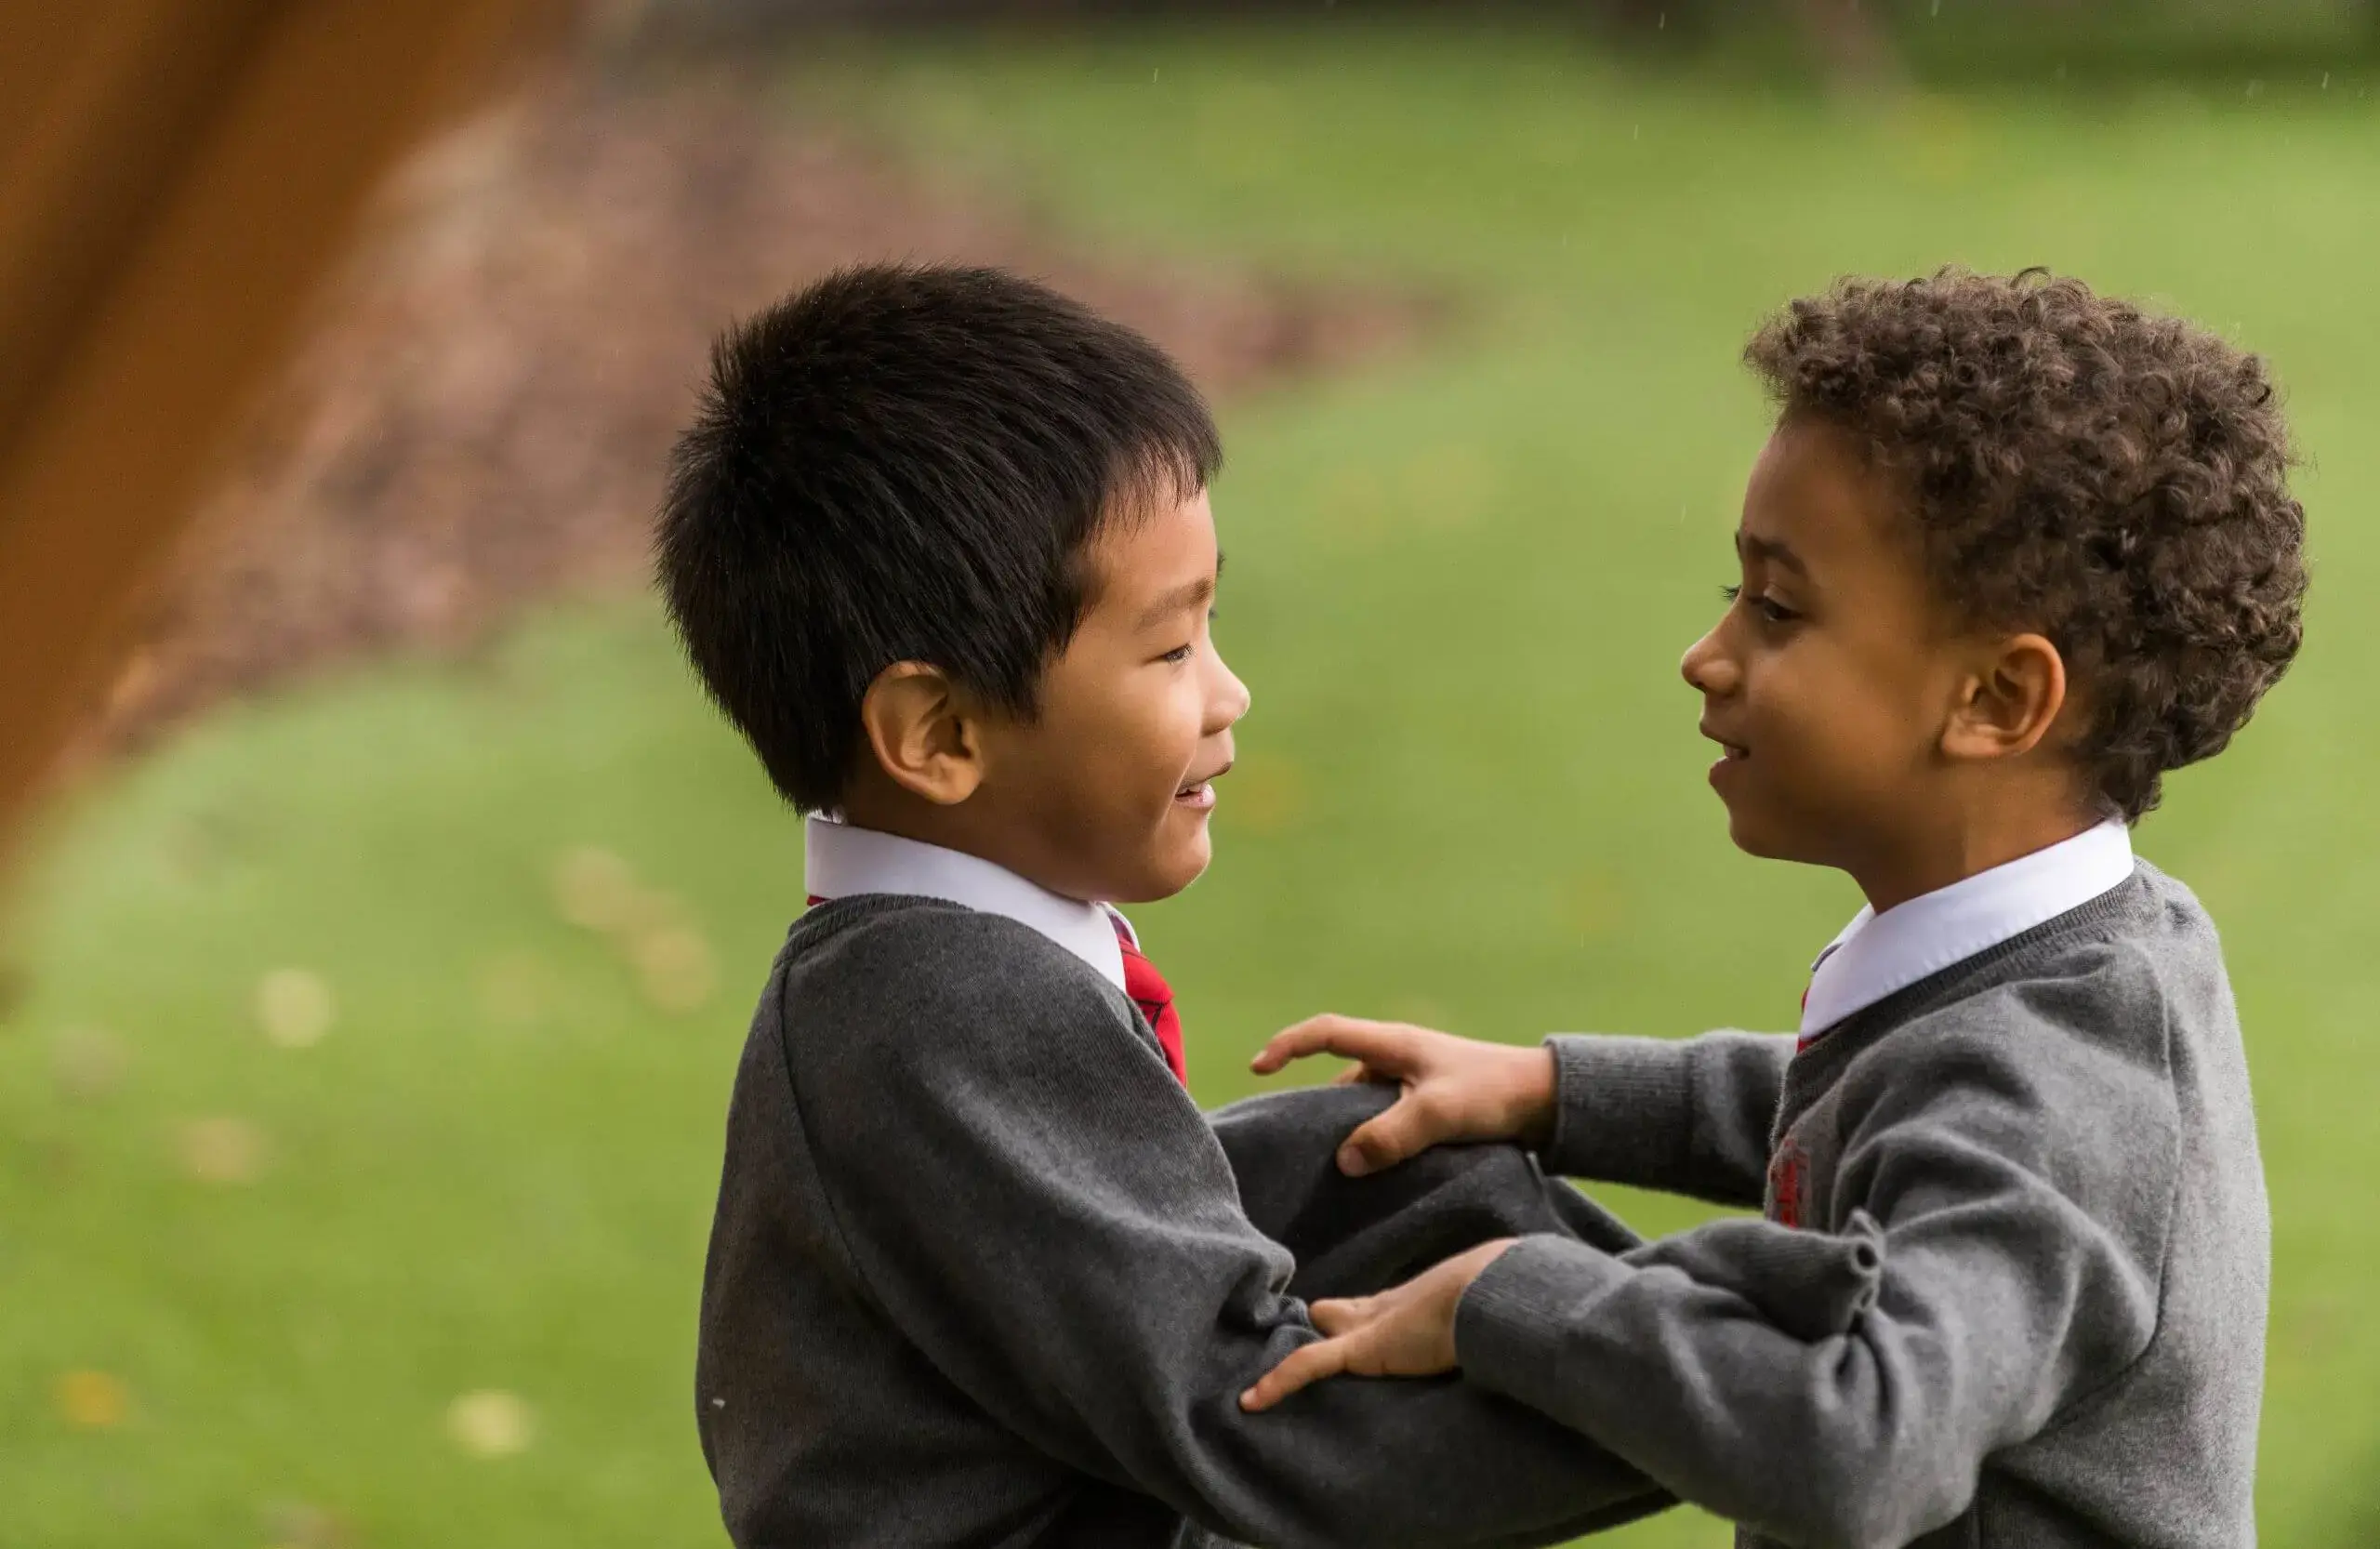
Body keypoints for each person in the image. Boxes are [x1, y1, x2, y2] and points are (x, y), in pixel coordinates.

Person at [1241, 270, 2306, 1549]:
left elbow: (1863, 1439)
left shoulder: (2062, 1082)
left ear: (1998, 702)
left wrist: (1511, 1297)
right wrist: (1556, 1091)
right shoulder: (2081, 951)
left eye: (1780, 608)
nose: (1709, 653)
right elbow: (1887, 1116)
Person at [660, 262, 1673, 1548]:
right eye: (1169, 647)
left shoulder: (944, 962)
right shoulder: (944, 1015)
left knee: (1407, 1169)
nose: (1228, 692)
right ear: (939, 731)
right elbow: (1249, 1420)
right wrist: (1724, 1387)